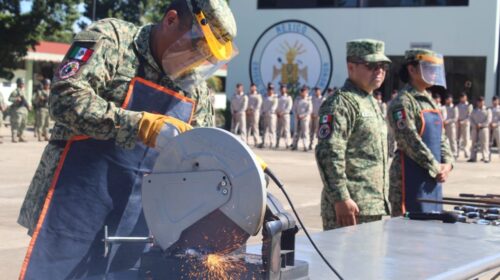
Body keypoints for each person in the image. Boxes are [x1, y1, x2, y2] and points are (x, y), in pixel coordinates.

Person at [17, 0, 237, 279]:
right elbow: (64, 98)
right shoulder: (112, 40)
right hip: (73, 204)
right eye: (196, 48)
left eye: (205, 57)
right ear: (170, 20)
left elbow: (198, 163)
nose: (196, 63)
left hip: (138, 222)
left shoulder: (197, 92)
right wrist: (139, 125)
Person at [316, 39, 391, 229]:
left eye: (383, 66)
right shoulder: (341, 103)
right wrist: (341, 198)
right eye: (371, 65)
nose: (379, 71)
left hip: (372, 205)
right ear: (351, 67)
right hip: (350, 208)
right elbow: (329, 153)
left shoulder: (371, 102)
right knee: (343, 259)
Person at [387, 49, 454, 217]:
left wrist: (448, 164)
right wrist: (436, 166)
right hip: (408, 178)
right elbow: (410, 141)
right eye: (428, 68)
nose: (433, 73)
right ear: (412, 69)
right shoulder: (403, 102)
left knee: (431, 230)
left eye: (434, 69)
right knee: (407, 234)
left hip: (432, 177)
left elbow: (441, 137)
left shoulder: (430, 100)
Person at [468, 96, 492, 163]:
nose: (480, 102)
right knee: (473, 143)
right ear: (477, 102)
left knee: (484, 144)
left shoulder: (487, 110)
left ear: (484, 102)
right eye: (479, 101)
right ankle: (472, 157)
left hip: (484, 128)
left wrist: (481, 125)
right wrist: (474, 125)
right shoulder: (474, 110)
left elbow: (488, 120)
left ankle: (485, 157)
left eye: (482, 101)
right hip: (475, 128)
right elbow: (470, 118)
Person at [9, 78, 30, 143]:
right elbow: (9, 99)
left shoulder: (24, 91)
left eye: (23, 83)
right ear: (18, 84)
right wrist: (16, 99)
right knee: (16, 124)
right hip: (17, 110)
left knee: (23, 124)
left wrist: (29, 105)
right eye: (21, 83)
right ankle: (14, 137)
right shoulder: (15, 91)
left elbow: (26, 100)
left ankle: (21, 136)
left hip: (24, 110)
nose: (23, 84)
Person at [292, 85, 312, 151]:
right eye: (302, 91)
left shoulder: (308, 99)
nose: (303, 92)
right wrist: (296, 115)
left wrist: (303, 115)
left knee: (305, 133)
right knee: (296, 132)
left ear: (306, 92)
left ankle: (305, 146)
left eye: (304, 91)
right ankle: (294, 145)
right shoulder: (297, 99)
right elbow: (294, 108)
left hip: (305, 119)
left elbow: (309, 110)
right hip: (297, 118)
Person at [260, 84, 278, 148]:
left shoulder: (275, 97)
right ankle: (264, 142)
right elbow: (261, 106)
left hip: (271, 115)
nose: (270, 90)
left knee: (272, 130)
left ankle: (272, 143)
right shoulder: (264, 97)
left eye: (271, 89)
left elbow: (274, 106)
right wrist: (262, 112)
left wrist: (269, 111)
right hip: (265, 115)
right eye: (269, 89)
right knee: (265, 130)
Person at [276, 84, 293, 148]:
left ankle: (287, 144)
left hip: (285, 115)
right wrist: (278, 112)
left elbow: (289, 107)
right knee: (279, 130)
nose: (282, 89)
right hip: (279, 115)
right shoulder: (278, 97)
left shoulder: (288, 97)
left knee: (286, 130)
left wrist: (282, 113)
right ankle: (277, 143)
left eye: (284, 88)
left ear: (286, 89)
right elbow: (276, 105)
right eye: (281, 88)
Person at [457, 92, 473, 158]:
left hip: (466, 124)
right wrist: (458, 121)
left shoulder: (469, 105)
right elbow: (456, 114)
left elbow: (470, 115)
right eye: (461, 97)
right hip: (458, 123)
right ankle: (456, 152)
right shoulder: (457, 105)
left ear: (466, 97)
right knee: (458, 139)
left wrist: (463, 121)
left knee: (466, 139)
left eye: (463, 97)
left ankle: (466, 152)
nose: (462, 98)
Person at [386, 89, 398, 157]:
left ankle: (392, 151)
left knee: (393, 138)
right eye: (394, 94)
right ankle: (389, 151)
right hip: (389, 122)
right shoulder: (389, 103)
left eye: (395, 95)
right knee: (389, 137)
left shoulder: (397, 103)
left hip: (395, 123)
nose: (394, 96)